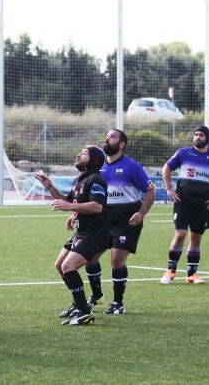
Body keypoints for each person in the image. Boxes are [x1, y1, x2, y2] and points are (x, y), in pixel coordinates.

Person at [81, 129, 156, 316]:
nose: (107, 138)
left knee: (117, 260)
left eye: (112, 136)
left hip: (126, 222)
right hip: (103, 222)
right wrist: (76, 214)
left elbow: (150, 191)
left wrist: (141, 213)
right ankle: (97, 296)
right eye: (106, 135)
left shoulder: (132, 166)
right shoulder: (99, 169)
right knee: (89, 257)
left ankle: (118, 303)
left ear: (122, 144)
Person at [35, 145, 108, 326]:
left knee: (69, 266)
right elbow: (67, 201)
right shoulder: (79, 180)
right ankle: (78, 304)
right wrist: (50, 187)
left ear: (94, 160)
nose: (78, 154)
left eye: (84, 153)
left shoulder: (96, 179)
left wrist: (71, 208)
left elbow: (97, 206)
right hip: (82, 232)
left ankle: (85, 312)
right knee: (60, 265)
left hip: (96, 233)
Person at [160, 126, 209, 285]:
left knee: (196, 237)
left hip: (203, 204)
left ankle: (191, 275)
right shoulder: (183, 153)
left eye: (201, 135)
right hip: (182, 201)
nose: (198, 137)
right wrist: (169, 189)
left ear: (207, 138)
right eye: (196, 134)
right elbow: (166, 168)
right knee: (181, 234)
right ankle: (170, 271)